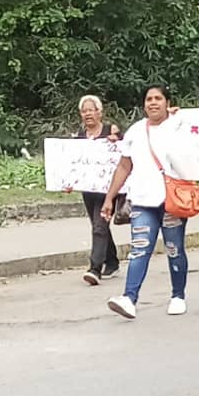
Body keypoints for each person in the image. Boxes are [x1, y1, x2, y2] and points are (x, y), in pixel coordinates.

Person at [102, 85, 189, 320]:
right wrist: (110, 198)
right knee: (139, 250)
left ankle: (178, 295)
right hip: (142, 201)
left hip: (172, 201)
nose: (153, 103)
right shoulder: (135, 131)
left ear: (167, 102)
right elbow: (124, 165)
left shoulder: (180, 125)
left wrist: (181, 116)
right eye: (149, 99)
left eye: (158, 98)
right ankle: (129, 298)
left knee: (174, 249)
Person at [74, 95, 122, 286]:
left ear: (99, 112)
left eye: (91, 110)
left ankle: (95, 268)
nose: (87, 114)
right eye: (84, 111)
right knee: (98, 224)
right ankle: (112, 261)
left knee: (99, 225)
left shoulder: (111, 130)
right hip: (88, 188)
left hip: (108, 188)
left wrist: (116, 140)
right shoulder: (79, 135)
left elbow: (124, 151)